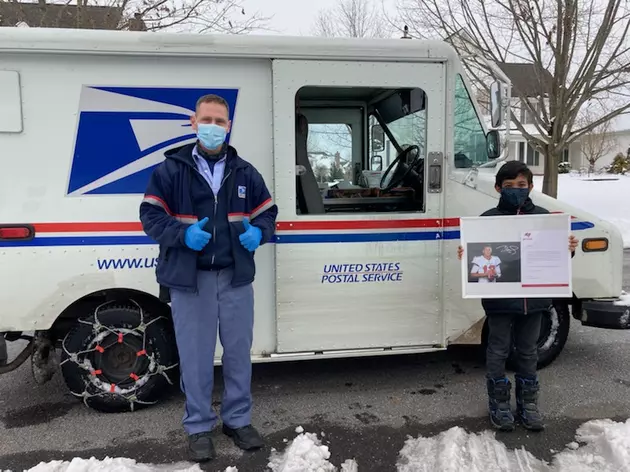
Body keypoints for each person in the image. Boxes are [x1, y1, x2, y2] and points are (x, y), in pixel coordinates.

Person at [139, 94, 278, 462]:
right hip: (191, 280)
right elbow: (150, 217)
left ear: (229, 126)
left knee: (237, 355)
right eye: (207, 119)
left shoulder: (246, 172)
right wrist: (181, 235)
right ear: (193, 122)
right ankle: (199, 425)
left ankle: (237, 420)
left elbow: (268, 214)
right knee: (196, 357)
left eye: (220, 121)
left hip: (234, 279)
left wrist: (260, 234)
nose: (213, 127)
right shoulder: (171, 170)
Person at [457, 160, 578, 432]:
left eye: (521, 185)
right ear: (498, 188)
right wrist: (466, 255)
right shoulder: (487, 220)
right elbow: (479, 259)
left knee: (528, 351)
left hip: (535, 302)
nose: (516, 190)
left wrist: (568, 248)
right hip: (499, 302)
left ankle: (528, 403)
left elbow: (556, 258)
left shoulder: (546, 219)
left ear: (531, 187)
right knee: (497, 350)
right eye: (509, 186)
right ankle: (498, 403)